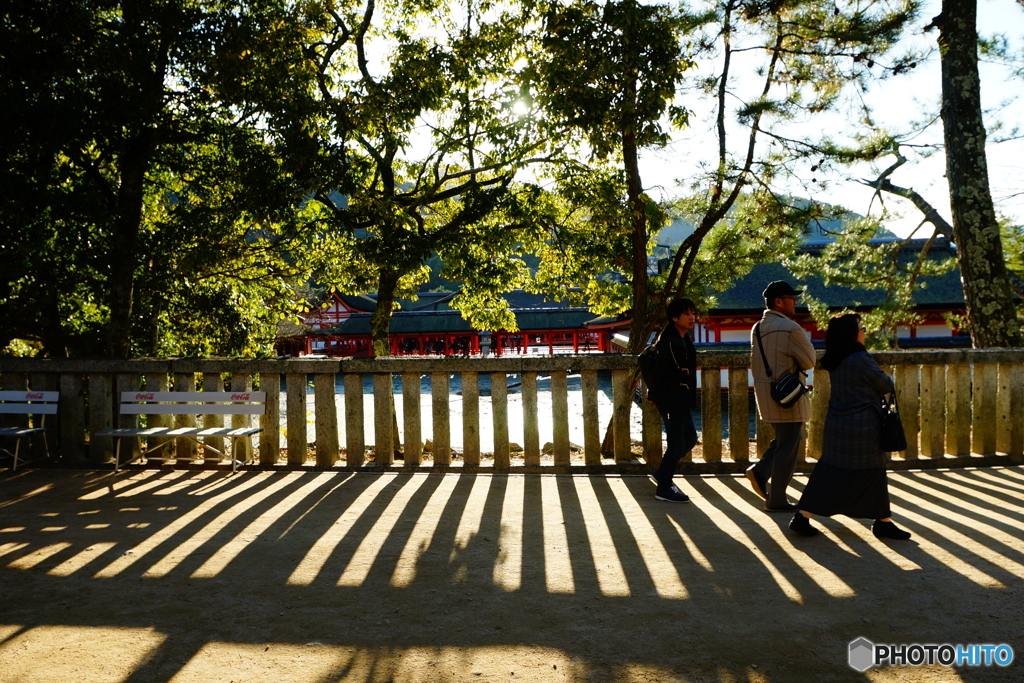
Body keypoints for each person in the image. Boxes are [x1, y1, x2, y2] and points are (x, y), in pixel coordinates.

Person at [789, 314, 912, 539]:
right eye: (861, 328)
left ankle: (802, 516)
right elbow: (886, 384)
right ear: (852, 334)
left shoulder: (835, 359)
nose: (864, 331)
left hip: (837, 425)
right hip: (864, 428)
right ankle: (883, 523)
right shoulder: (860, 358)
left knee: (828, 472)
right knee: (874, 473)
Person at [747, 280, 816, 512]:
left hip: (768, 394)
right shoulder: (791, 328)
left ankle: (761, 470)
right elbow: (809, 361)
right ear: (779, 301)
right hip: (789, 396)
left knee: (786, 440)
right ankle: (776, 500)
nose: (796, 302)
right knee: (789, 448)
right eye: (791, 298)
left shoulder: (757, 328)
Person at [647, 297, 699, 503]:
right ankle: (664, 487)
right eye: (687, 314)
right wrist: (654, 396)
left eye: (693, 312)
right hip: (671, 399)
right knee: (677, 443)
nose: (692, 317)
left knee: (690, 439)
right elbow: (658, 373)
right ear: (675, 317)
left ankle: (662, 473)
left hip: (682, 399)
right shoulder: (668, 343)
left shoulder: (684, 339)